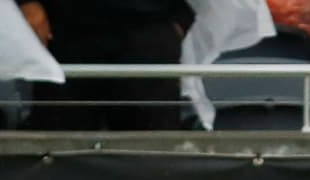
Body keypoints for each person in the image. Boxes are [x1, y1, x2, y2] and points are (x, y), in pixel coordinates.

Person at [18, 0, 194, 130]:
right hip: (65, 33)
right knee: (58, 152)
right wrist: (27, 3)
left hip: (149, 29)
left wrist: (182, 17)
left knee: (150, 157)